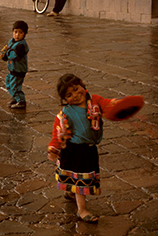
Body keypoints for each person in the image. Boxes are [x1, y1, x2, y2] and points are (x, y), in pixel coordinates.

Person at [47, 74, 119, 223]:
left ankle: (70, 192)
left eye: (76, 89)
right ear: (65, 99)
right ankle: (82, 210)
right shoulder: (66, 113)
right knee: (80, 181)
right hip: (75, 150)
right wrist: (53, 147)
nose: (75, 95)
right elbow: (57, 131)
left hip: (89, 150)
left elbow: (106, 104)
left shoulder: (95, 101)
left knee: (76, 177)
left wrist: (115, 104)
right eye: (69, 95)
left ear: (82, 86)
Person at [1, 20, 29, 109]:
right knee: (8, 83)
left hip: (18, 70)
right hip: (12, 69)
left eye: (20, 32)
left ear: (24, 34)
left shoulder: (21, 45)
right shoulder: (11, 41)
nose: (17, 34)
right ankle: (15, 96)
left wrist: (7, 52)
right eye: (15, 32)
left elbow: (14, 56)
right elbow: (7, 51)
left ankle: (21, 101)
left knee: (15, 86)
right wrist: (3, 54)